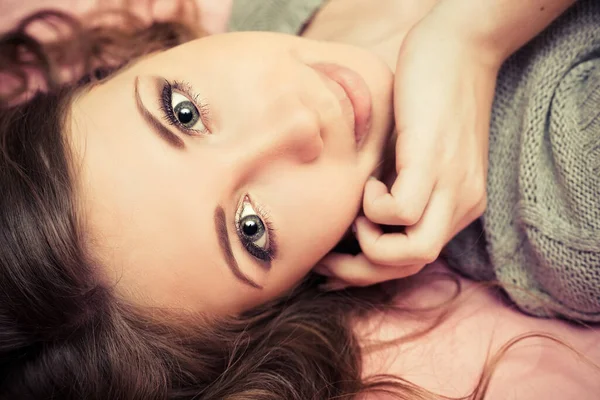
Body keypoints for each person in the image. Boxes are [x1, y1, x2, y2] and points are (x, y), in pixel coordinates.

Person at [0, 0, 598, 399]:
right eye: (251, 229)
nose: (296, 123)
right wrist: (472, 37)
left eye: (183, 112)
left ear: (127, 66)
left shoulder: (266, 10)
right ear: (288, 295)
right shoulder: (568, 198)